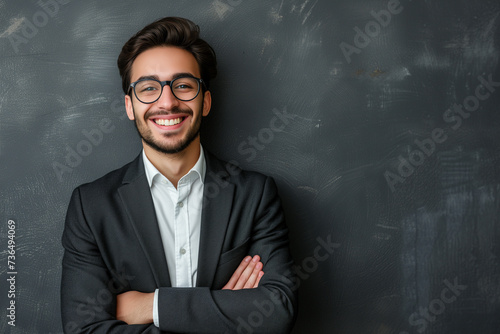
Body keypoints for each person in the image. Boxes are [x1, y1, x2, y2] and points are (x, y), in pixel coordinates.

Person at [60, 17, 297, 333]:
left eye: (183, 85)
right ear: (130, 106)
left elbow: (276, 312)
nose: (167, 101)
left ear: (206, 101)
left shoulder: (255, 195)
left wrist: (150, 306)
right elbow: (83, 329)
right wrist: (219, 311)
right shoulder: (91, 206)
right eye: (148, 88)